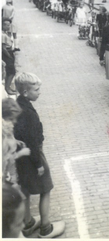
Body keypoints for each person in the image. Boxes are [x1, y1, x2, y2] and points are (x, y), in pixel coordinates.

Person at [14, 72, 66, 238]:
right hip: (33, 155)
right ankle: (45, 227)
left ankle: (28, 223)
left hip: (21, 157)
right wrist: (39, 164)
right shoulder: (28, 113)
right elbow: (31, 141)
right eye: (36, 89)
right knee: (46, 188)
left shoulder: (18, 104)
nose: (39, 92)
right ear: (25, 92)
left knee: (26, 189)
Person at [2, 18, 17, 95]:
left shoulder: (7, 33)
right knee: (11, 72)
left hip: (10, 52)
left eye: (8, 25)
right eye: (5, 25)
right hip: (7, 54)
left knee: (10, 71)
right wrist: (9, 56)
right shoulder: (2, 35)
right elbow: (3, 48)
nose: (7, 26)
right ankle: (7, 88)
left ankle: (8, 87)